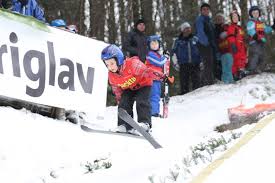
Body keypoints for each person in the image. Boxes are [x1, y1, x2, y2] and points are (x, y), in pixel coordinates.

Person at [101, 44, 165, 134]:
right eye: (107, 64)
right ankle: (124, 125)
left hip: (144, 84)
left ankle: (145, 124)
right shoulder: (112, 76)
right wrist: (120, 100)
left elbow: (147, 71)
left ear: (119, 59)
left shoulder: (133, 64)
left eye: (112, 63)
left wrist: (160, 76)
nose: (110, 67)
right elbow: (117, 89)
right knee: (124, 102)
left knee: (141, 101)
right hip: (129, 88)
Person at [172, 22, 201, 95]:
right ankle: (185, 97)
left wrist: (201, 61)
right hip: (183, 64)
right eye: (186, 28)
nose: (188, 30)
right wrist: (175, 63)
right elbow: (173, 53)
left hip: (195, 63)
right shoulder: (177, 41)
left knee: (197, 82)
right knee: (184, 84)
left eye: (189, 28)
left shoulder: (195, 39)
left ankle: (198, 96)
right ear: (182, 30)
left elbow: (201, 51)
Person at [145, 35, 169, 117]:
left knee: (157, 95)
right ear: (149, 45)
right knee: (154, 95)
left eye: (156, 43)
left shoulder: (157, 54)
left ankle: (154, 111)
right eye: (152, 44)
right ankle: (153, 112)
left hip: (156, 78)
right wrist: (165, 57)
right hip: (151, 78)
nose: (154, 45)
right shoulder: (149, 54)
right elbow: (159, 63)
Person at [195, 3, 217, 86]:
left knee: (210, 62)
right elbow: (200, 33)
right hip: (203, 45)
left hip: (210, 45)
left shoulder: (209, 20)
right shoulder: (200, 19)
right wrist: (206, 43)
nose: (206, 11)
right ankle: (207, 82)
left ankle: (208, 80)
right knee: (207, 63)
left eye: (207, 9)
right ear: (201, 11)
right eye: (204, 9)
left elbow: (212, 33)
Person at [246, 6, 273, 74]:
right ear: (251, 14)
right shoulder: (251, 22)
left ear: (259, 14)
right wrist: (256, 37)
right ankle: (252, 69)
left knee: (263, 55)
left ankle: (259, 69)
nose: (255, 14)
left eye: (257, 13)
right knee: (256, 54)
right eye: (254, 13)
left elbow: (266, 30)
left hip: (262, 41)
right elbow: (250, 30)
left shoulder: (260, 23)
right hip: (254, 41)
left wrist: (272, 27)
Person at [227, 10, 247, 80]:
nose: (235, 18)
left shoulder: (239, 28)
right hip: (235, 46)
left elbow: (242, 38)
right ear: (231, 19)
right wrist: (232, 44)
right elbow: (230, 36)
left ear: (238, 18)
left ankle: (240, 71)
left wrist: (245, 46)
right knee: (237, 59)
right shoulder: (231, 27)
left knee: (242, 58)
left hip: (241, 46)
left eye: (236, 17)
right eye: (233, 17)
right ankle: (237, 72)